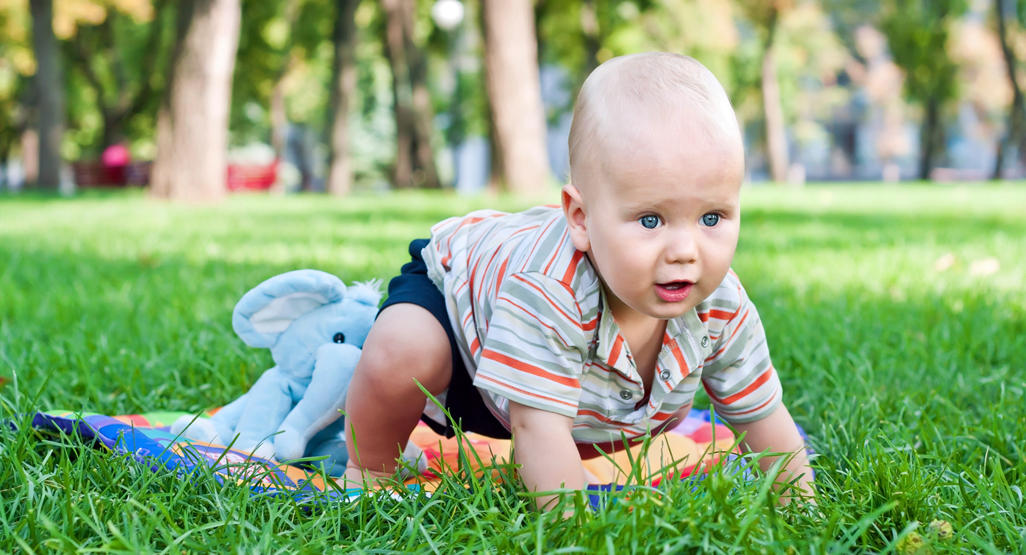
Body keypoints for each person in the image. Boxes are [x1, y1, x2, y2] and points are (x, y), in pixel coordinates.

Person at [342, 52, 814, 509]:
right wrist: (575, 524)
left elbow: (761, 414)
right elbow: (537, 428)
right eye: (651, 221)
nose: (686, 250)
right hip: (462, 320)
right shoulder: (552, 290)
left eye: (712, 217)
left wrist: (803, 507)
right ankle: (372, 470)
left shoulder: (721, 304)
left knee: (571, 427)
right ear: (582, 219)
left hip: (581, 400)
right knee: (402, 349)